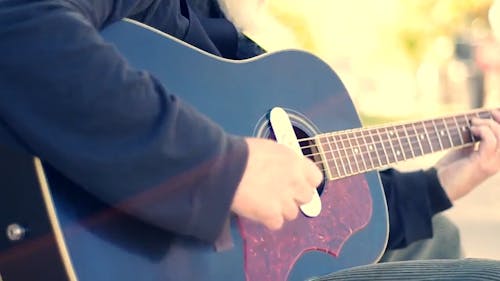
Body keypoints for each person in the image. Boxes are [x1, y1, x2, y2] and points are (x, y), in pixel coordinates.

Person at [1, 0, 500, 280]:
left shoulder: (227, 42)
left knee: (442, 233)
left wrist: (441, 183)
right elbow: (22, 29)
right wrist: (224, 169)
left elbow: (320, 214)